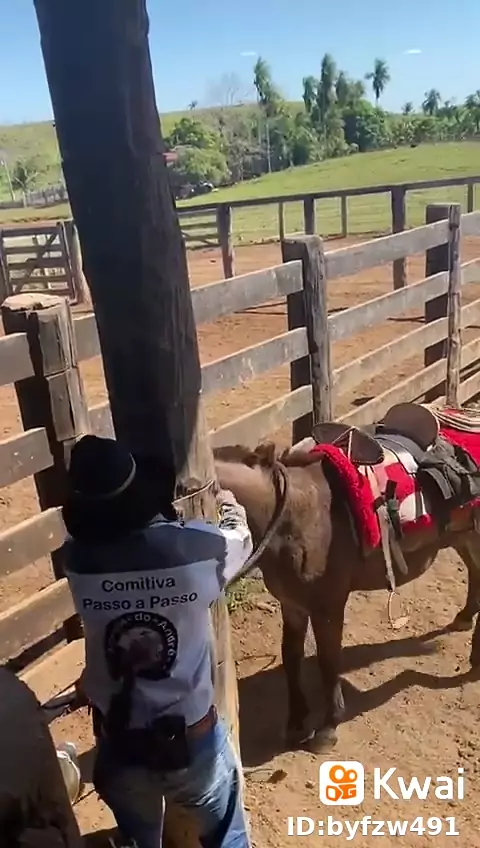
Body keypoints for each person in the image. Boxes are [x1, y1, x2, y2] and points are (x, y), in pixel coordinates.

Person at [61, 434, 254, 848]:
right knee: (227, 835)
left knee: (138, 838)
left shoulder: (75, 559)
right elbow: (239, 541)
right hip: (192, 741)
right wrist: (229, 507)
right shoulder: (194, 549)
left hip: (119, 740)